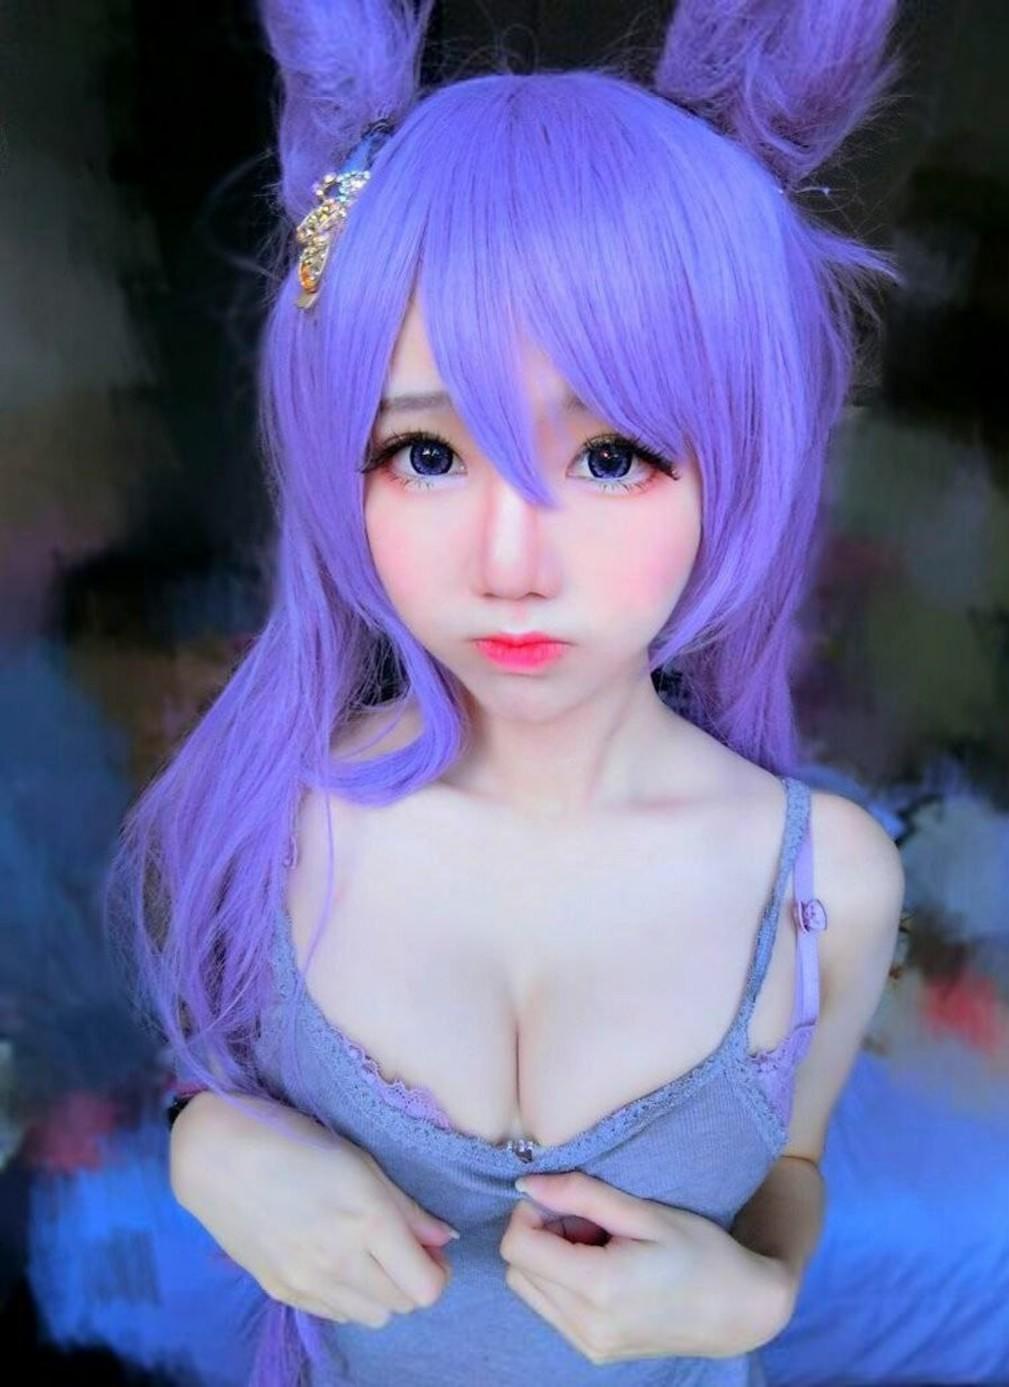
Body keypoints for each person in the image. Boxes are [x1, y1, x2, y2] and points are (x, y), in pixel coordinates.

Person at [105, 1, 908, 1382]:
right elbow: (175, 1075)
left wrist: (760, 1297)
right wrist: (202, 1141)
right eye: (426, 455)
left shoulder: (828, 883)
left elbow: (791, 1168)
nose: (512, 564)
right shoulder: (264, 819)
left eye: (612, 457)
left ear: (743, 456)